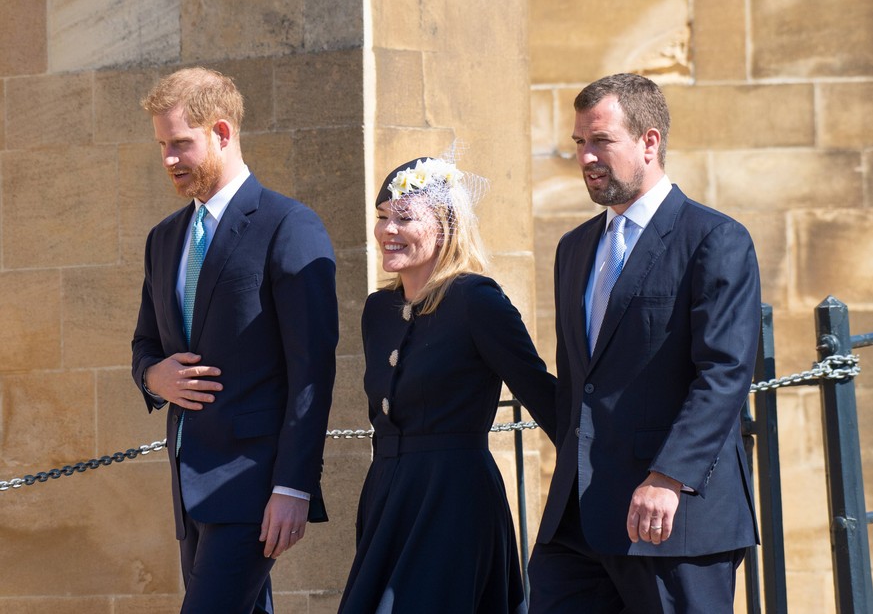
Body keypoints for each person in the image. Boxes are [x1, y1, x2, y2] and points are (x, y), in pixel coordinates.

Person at [528, 73, 761, 614]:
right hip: (577, 521)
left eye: (601, 141)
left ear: (649, 141)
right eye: (579, 143)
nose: (586, 157)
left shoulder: (714, 239)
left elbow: (724, 372)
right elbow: (578, 377)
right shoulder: (574, 248)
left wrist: (669, 476)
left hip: (671, 518)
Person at [131, 67, 338, 614]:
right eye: (161, 146)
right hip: (187, 487)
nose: (169, 159)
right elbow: (145, 345)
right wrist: (155, 377)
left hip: (253, 488)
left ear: (222, 133)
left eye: (181, 144)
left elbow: (312, 371)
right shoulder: (164, 239)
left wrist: (294, 487)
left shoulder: (289, 225)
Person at [338, 152, 557, 613]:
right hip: (387, 497)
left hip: (454, 499)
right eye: (382, 217)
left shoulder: (477, 301)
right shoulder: (378, 310)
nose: (387, 230)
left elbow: (544, 395)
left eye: (403, 218)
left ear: (444, 227)